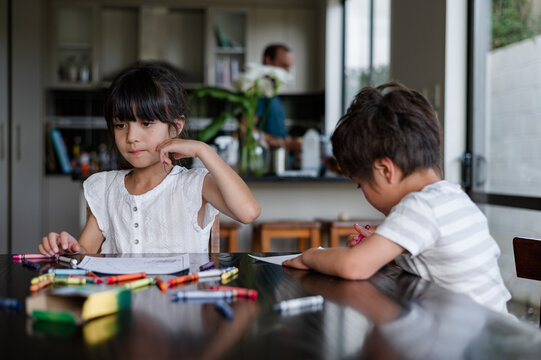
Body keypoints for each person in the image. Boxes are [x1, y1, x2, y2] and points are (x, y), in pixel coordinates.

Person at [283, 82, 511, 314]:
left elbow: (354, 266)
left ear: (384, 170)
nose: (364, 194)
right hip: (491, 329)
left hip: (478, 343)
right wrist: (383, 246)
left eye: (360, 185)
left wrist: (311, 256)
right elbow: (436, 261)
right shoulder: (451, 196)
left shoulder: (420, 205)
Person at [39, 62, 260, 255]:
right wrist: (69, 248)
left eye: (146, 123)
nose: (132, 137)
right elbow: (85, 252)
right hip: (122, 300)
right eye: (121, 125)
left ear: (175, 128)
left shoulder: (195, 185)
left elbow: (248, 212)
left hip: (180, 300)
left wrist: (203, 150)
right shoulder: (105, 187)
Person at [257, 44, 300, 153]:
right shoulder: (259, 92)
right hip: (264, 164)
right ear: (268, 60)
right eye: (283, 65)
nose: (287, 71)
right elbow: (247, 132)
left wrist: (290, 142)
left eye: (288, 67)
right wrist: (286, 144)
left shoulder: (273, 94)